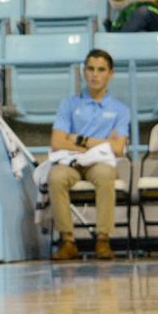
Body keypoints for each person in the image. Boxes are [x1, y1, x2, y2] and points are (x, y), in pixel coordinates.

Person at [47, 49, 130, 261]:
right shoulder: (69, 104)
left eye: (101, 70)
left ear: (110, 74)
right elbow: (57, 141)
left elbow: (118, 148)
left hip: (100, 163)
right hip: (71, 162)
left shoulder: (120, 109)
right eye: (90, 69)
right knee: (55, 176)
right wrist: (101, 143)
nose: (95, 74)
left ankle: (103, 239)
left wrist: (78, 139)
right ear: (84, 72)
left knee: (104, 175)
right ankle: (67, 241)